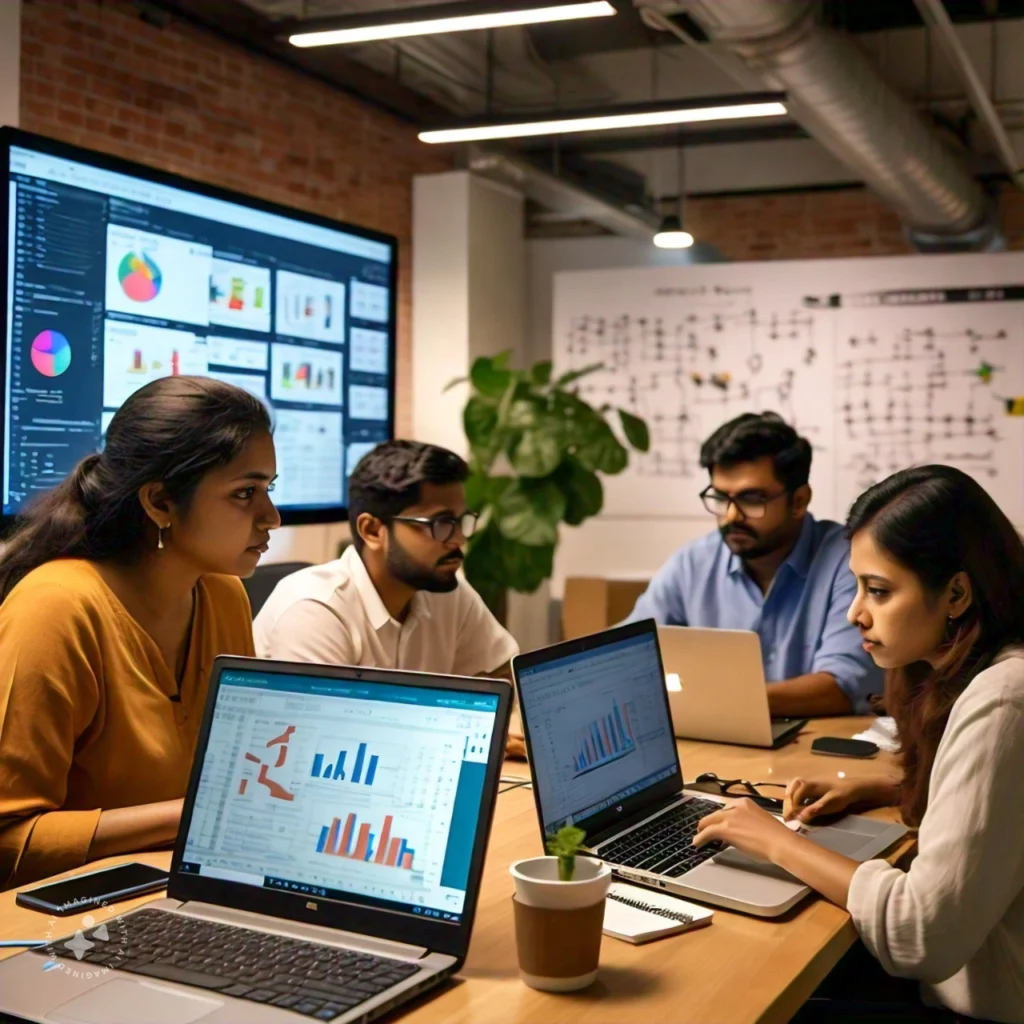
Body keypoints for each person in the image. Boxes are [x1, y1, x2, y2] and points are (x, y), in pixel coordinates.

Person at [693, 465, 1024, 1023]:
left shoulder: (1003, 699)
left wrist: (777, 842)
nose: (856, 613)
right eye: (858, 586)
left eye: (879, 590)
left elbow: (921, 936)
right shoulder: (979, 669)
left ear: (957, 592)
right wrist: (885, 784)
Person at [0, 377, 280, 889]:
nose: (272, 518)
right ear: (159, 503)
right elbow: (6, 843)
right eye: (246, 493)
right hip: (61, 929)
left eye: (269, 490)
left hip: (175, 895)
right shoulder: (56, 609)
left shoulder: (223, 595)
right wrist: (193, 814)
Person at [253, 439, 523, 754]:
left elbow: (500, 675)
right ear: (372, 530)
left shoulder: (444, 587)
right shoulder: (314, 611)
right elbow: (324, 750)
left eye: (462, 521)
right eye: (440, 524)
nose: (459, 539)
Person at [626, 411, 881, 716]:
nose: (732, 516)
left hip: (821, 749)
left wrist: (716, 702)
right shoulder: (692, 564)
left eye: (751, 499)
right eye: (720, 498)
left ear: (799, 500)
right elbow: (630, 650)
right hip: (719, 744)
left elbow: (841, 687)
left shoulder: (848, 561)